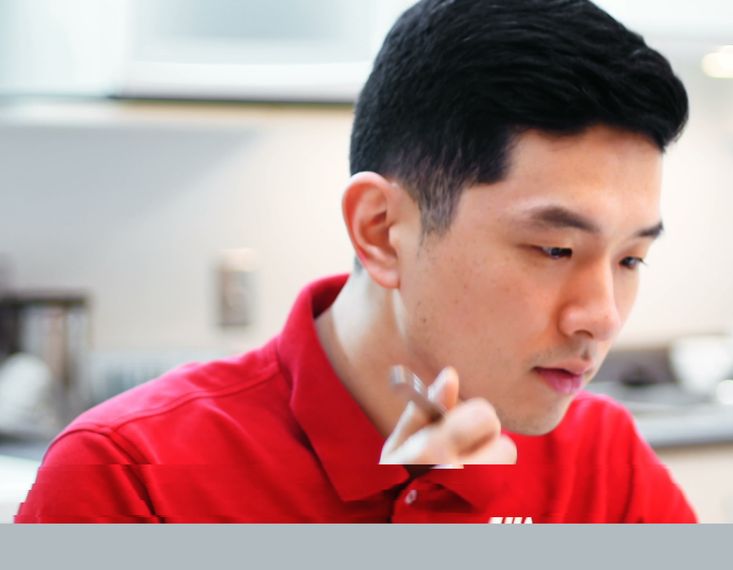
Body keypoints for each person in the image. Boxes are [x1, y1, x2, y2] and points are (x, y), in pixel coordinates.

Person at [17, 0, 696, 523]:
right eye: (554, 249)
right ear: (380, 230)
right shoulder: (130, 478)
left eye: (631, 259)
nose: (601, 318)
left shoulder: (605, 462)